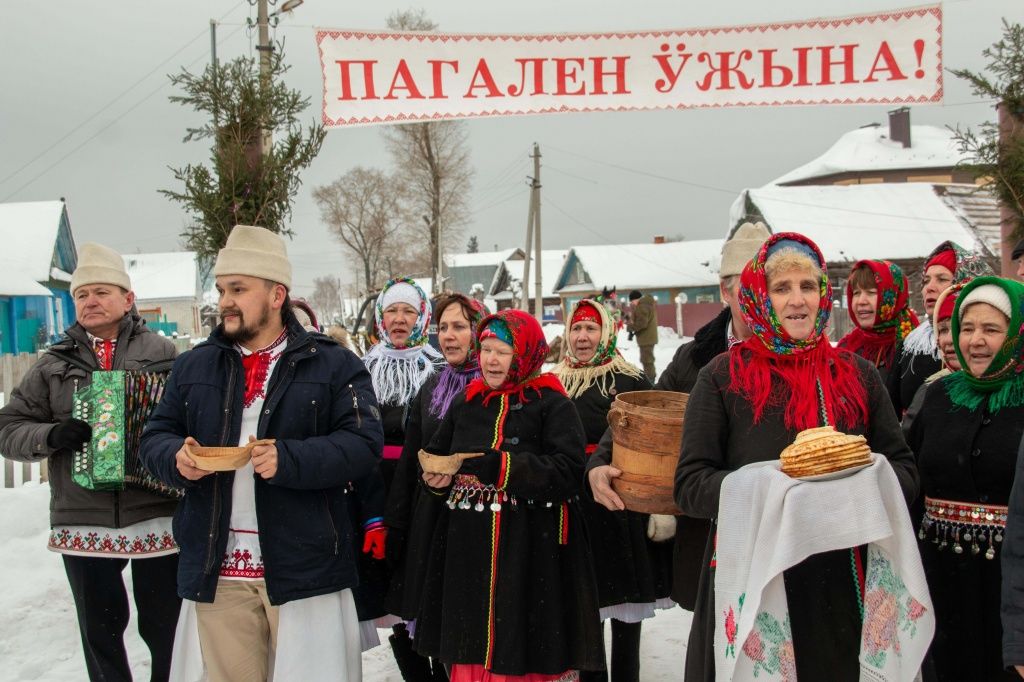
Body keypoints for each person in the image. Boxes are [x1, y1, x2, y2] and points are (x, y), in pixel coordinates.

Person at [139, 225, 383, 681]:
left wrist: (289, 460)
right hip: (218, 567)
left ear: (276, 295)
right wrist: (176, 457)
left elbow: (363, 445)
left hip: (305, 565)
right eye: (221, 290)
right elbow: (155, 436)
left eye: (238, 289)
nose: (225, 301)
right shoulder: (194, 365)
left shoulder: (333, 363)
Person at [674, 232, 920, 681]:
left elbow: (903, 470)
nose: (798, 300)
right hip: (757, 573)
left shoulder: (858, 375)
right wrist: (767, 489)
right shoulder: (722, 378)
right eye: (782, 288)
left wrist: (860, 486)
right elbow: (690, 486)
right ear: (758, 297)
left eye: (808, 286)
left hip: (843, 578)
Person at [0, 243, 179, 682]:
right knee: (100, 629)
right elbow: (8, 428)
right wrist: (50, 435)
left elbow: (195, 415)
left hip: (155, 509)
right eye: (82, 294)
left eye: (101, 292)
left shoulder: (166, 353)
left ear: (127, 298)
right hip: (82, 515)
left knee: (167, 626)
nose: (90, 301)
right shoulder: (52, 363)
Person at [588, 221, 770, 613]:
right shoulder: (694, 357)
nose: (761, 296)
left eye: (770, 285)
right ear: (725, 290)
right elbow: (645, 412)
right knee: (714, 636)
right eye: (748, 286)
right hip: (709, 530)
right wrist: (600, 462)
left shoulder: (797, 360)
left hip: (774, 529)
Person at [415, 309, 605, 681]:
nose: (491, 360)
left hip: (530, 549)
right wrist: (434, 480)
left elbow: (569, 471)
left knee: (521, 642)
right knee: (473, 642)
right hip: (468, 551)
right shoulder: (466, 403)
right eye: (486, 350)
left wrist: (505, 467)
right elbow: (438, 453)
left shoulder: (552, 403)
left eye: (502, 352)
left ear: (524, 355)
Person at [910, 276, 1024, 681]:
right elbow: (911, 479)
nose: (976, 340)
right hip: (939, 580)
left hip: (1010, 586)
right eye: (967, 327)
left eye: (991, 329)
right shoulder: (937, 396)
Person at [554, 299, 671, 682]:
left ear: (606, 332)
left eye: (591, 328)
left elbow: (657, 438)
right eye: (576, 328)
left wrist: (660, 503)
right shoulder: (554, 382)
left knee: (625, 609)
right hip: (572, 507)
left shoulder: (630, 380)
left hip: (619, 506)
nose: (582, 336)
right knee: (584, 608)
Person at [385, 293, 488, 681]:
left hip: (481, 523)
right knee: (438, 624)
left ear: (479, 333)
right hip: (432, 518)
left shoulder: (494, 385)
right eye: (442, 327)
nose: (448, 336)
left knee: (476, 627)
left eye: (459, 326)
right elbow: (411, 459)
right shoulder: (430, 387)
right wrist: (396, 525)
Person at [361, 276, 444, 673]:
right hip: (378, 485)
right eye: (392, 310)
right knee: (391, 584)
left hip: (423, 486)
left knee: (428, 581)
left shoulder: (437, 367)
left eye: (408, 311)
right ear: (381, 317)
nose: (399, 319)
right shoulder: (364, 369)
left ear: (422, 317)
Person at [887, 241, 993, 416]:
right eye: (926, 281)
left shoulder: (987, 344)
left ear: (966, 283)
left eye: (942, 279)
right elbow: (892, 408)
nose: (929, 288)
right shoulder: (913, 344)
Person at [837, 259, 919, 383]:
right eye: (856, 293)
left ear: (893, 297)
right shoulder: (847, 348)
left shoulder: (916, 347)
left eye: (871, 292)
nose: (861, 301)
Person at [626, 290, 657, 380]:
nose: (632, 303)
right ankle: (650, 379)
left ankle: (650, 381)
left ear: (636, 299)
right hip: (648, 337)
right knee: (647, 360)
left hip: (646, 338)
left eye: (632, 301)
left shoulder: (642, 306)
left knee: (647, 361)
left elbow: (642, 323)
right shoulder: (647, 305)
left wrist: (630, 327)